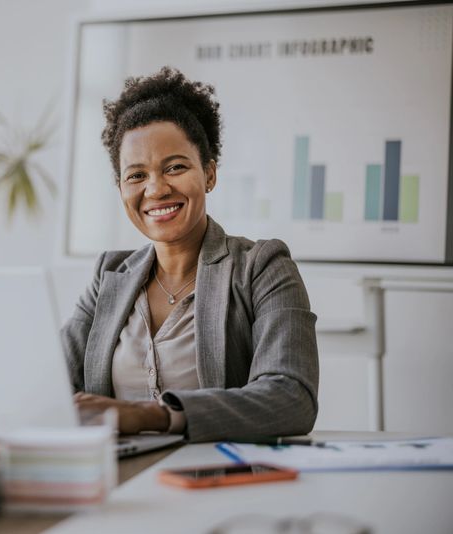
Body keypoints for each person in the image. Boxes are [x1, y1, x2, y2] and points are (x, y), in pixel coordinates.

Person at [61, 66, 319, 443]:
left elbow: (291, 397)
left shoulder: (262, 267)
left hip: (220, 483)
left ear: (209, 174)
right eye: (136, 176)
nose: (156, 189)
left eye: (175, 167)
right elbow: (49, 388)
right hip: (116, 484)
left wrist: (146, 416)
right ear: (120, 188)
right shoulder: (109, 276)